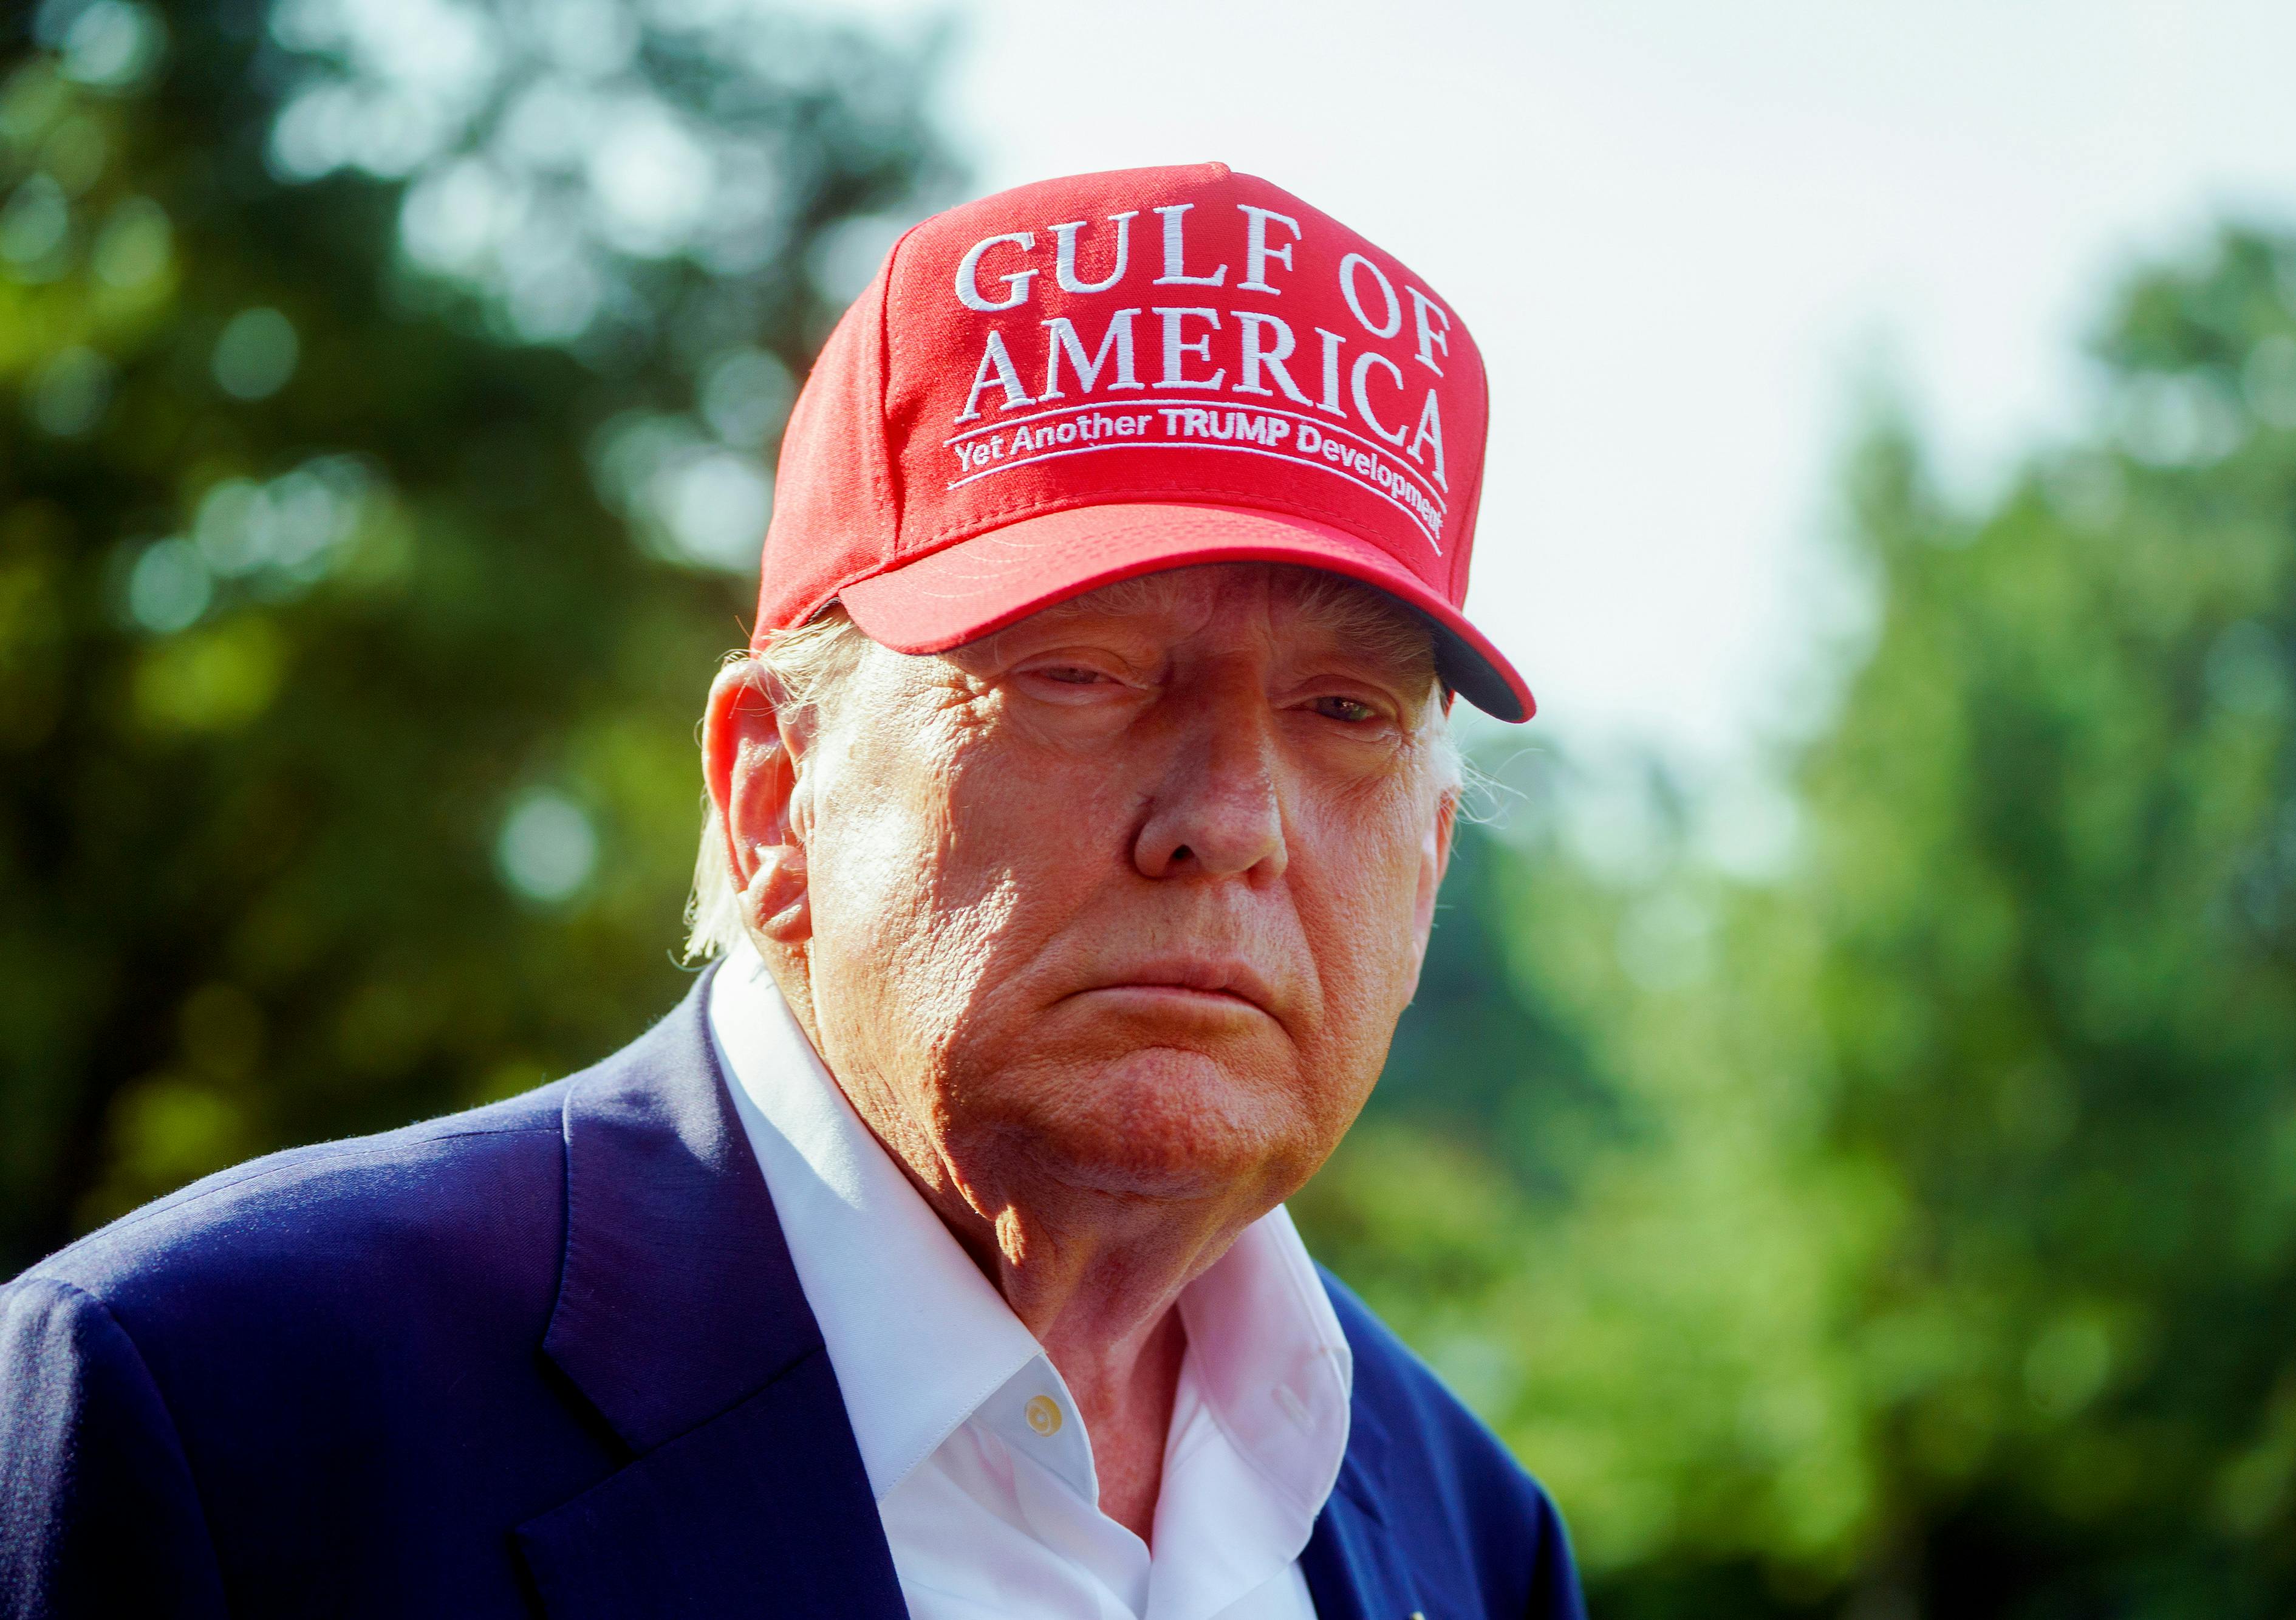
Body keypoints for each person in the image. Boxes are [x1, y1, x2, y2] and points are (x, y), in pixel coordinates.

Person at [0, 163, 1580, 1620]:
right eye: (1080, 673)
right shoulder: (209, 1414)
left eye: (1346, 711)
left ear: (1430, 864)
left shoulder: (1474, 1533)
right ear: (774, 790)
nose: (1228, 819)